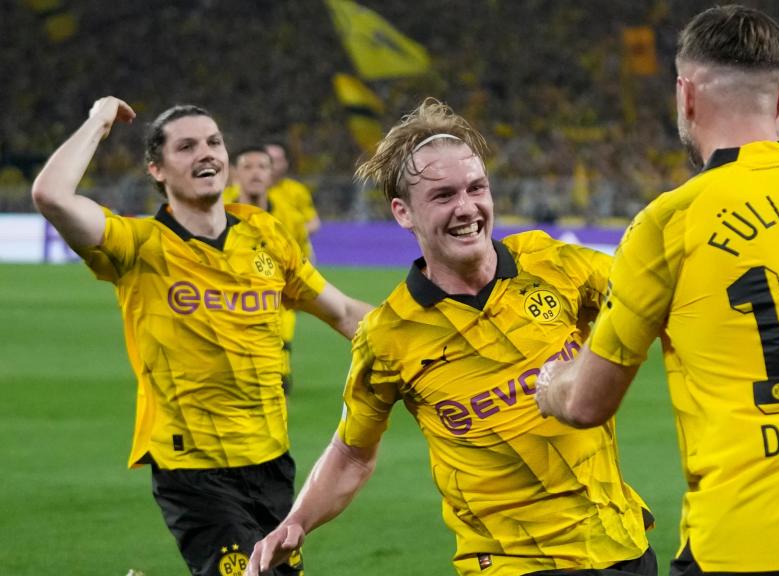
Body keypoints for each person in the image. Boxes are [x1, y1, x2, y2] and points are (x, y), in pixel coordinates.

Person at [536, 6, 779, 576]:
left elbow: (586, 403)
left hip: (744, 543)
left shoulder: (671, 221)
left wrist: (551, 383)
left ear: (686, 96)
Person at [246, 98, 657, 576]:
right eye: (443, 196)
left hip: (619, 545)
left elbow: (650, 295)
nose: (467, 208)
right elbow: (351, 451)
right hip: (509, 562)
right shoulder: (388, 335)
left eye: (476, 188)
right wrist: (297, 521)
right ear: (403, 212)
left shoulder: (551, 263)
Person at [31, 97, 373, 576]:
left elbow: (342, 311)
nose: (206, 153)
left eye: (214, 142)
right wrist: (99, 120)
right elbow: (51, 196)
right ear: (156, 169)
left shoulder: (264, 235)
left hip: (271, 459)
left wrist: (427, 335)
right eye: (186, 147)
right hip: (192, 465)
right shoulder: (138, 245)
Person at [231, 145, 310, 393]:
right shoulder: (216, 211)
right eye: (248, 167)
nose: (255, 173)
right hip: (225, 308)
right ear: (235, 173)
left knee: (277, 378)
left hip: (276, 307)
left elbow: (303, 263)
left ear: (271, 173)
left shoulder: (290, 217)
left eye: (262, 167)